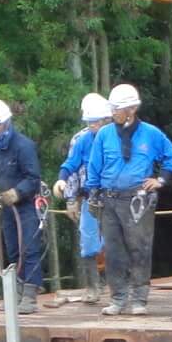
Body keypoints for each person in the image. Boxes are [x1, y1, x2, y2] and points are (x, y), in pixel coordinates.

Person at [84, 83, 172, 316]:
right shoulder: (105, 135)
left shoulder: (151, 133)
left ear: (131, 109)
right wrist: (93, 193)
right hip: (110, 199)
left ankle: (139, 298)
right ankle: (118, 298)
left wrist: (161, 180)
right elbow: (94, 165)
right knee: (113, 250)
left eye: (117, 109)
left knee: (139, 248)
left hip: (138, 200)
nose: (113, 113)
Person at [0, 99, 44, 313]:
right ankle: (15, 294)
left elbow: (34, 178)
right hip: (6, 206)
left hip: (28, 206)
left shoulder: (24, 146)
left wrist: (17, 192)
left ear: (6, 123)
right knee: (12, 249)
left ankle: (30, 297)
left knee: (29, 249)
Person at [53, 93, 111, 304]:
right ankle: (93, 287)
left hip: (115, 198)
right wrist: (67, 190)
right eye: (90, 122)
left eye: (96, 121)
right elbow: (71, 165)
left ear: (107, 119)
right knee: (88, 243)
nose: (93, 126)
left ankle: (117, 285)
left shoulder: (117, 138)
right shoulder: (82, 140)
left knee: (115, 240)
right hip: (90, 197)